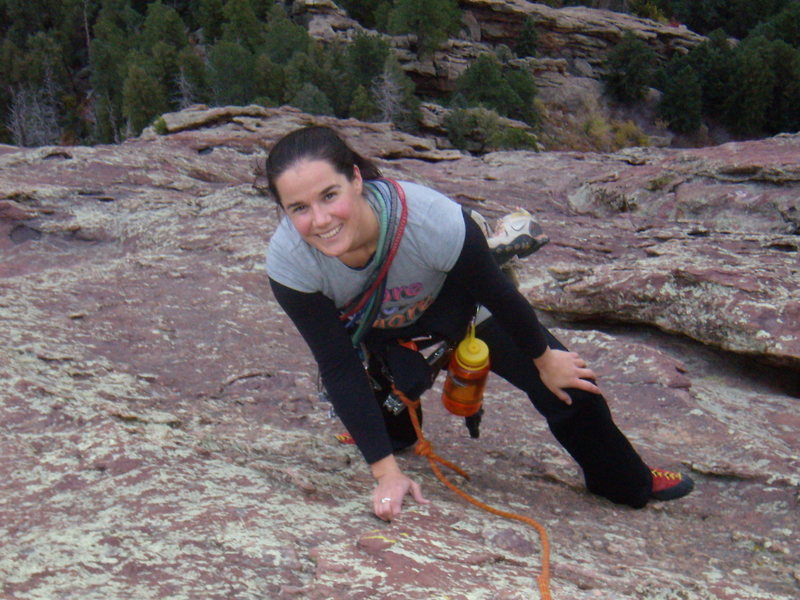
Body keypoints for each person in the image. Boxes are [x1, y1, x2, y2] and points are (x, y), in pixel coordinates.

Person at [263, 125, 694, 522]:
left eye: (329, 195)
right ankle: (393, 435)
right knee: (387, 411)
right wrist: (386, 474)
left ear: (357, 180)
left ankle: (626, 482)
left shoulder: (429, 219)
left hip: (461, 307)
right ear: (283, 210)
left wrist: (545, 360)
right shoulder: (292, 263)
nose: (320, 220)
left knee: (572, 392)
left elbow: (498, 295)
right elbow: (338, 365)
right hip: (376, 327)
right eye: (298, 208)